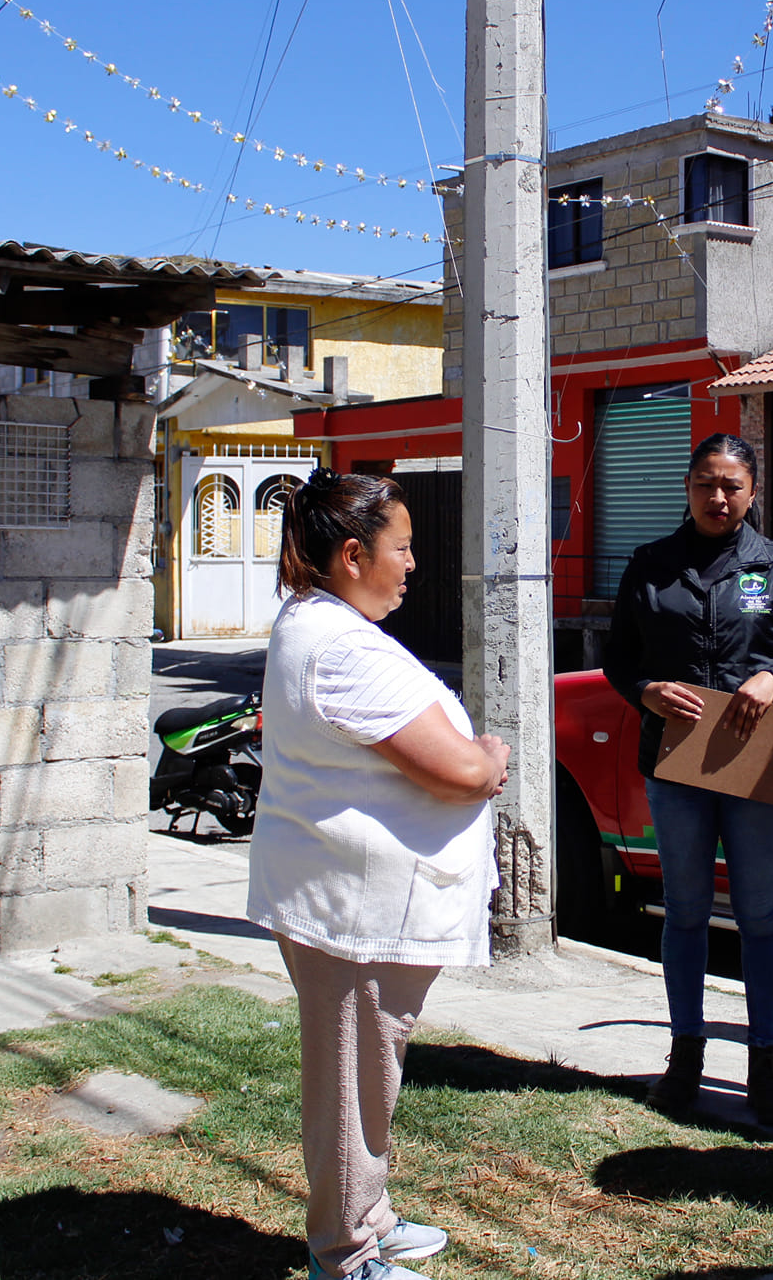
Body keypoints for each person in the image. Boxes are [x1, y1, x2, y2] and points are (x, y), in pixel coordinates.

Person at [246, 466, 511, 1280]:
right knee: (354, 1086)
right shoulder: (337, 645)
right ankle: (348, 1251)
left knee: (368, 1074)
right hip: (352, 910)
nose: (413, 564)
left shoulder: (321, 624)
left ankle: (369, 1216)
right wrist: (490, 758)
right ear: (354, 554)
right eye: (404, 548)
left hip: (353, 901)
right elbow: (458, 771)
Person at [603, 432, 773, 1127]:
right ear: (687, 485)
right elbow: (619, 659)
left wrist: (772, 677)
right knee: (687, 911)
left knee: (763, 914)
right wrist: (644, 690)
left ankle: (765, 1062)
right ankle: (687, 1057)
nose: (719, 496)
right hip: (675, 764)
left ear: (752, 492)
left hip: (754, 760)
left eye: (732, 485)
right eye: (706, 482)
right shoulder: (650, 565)